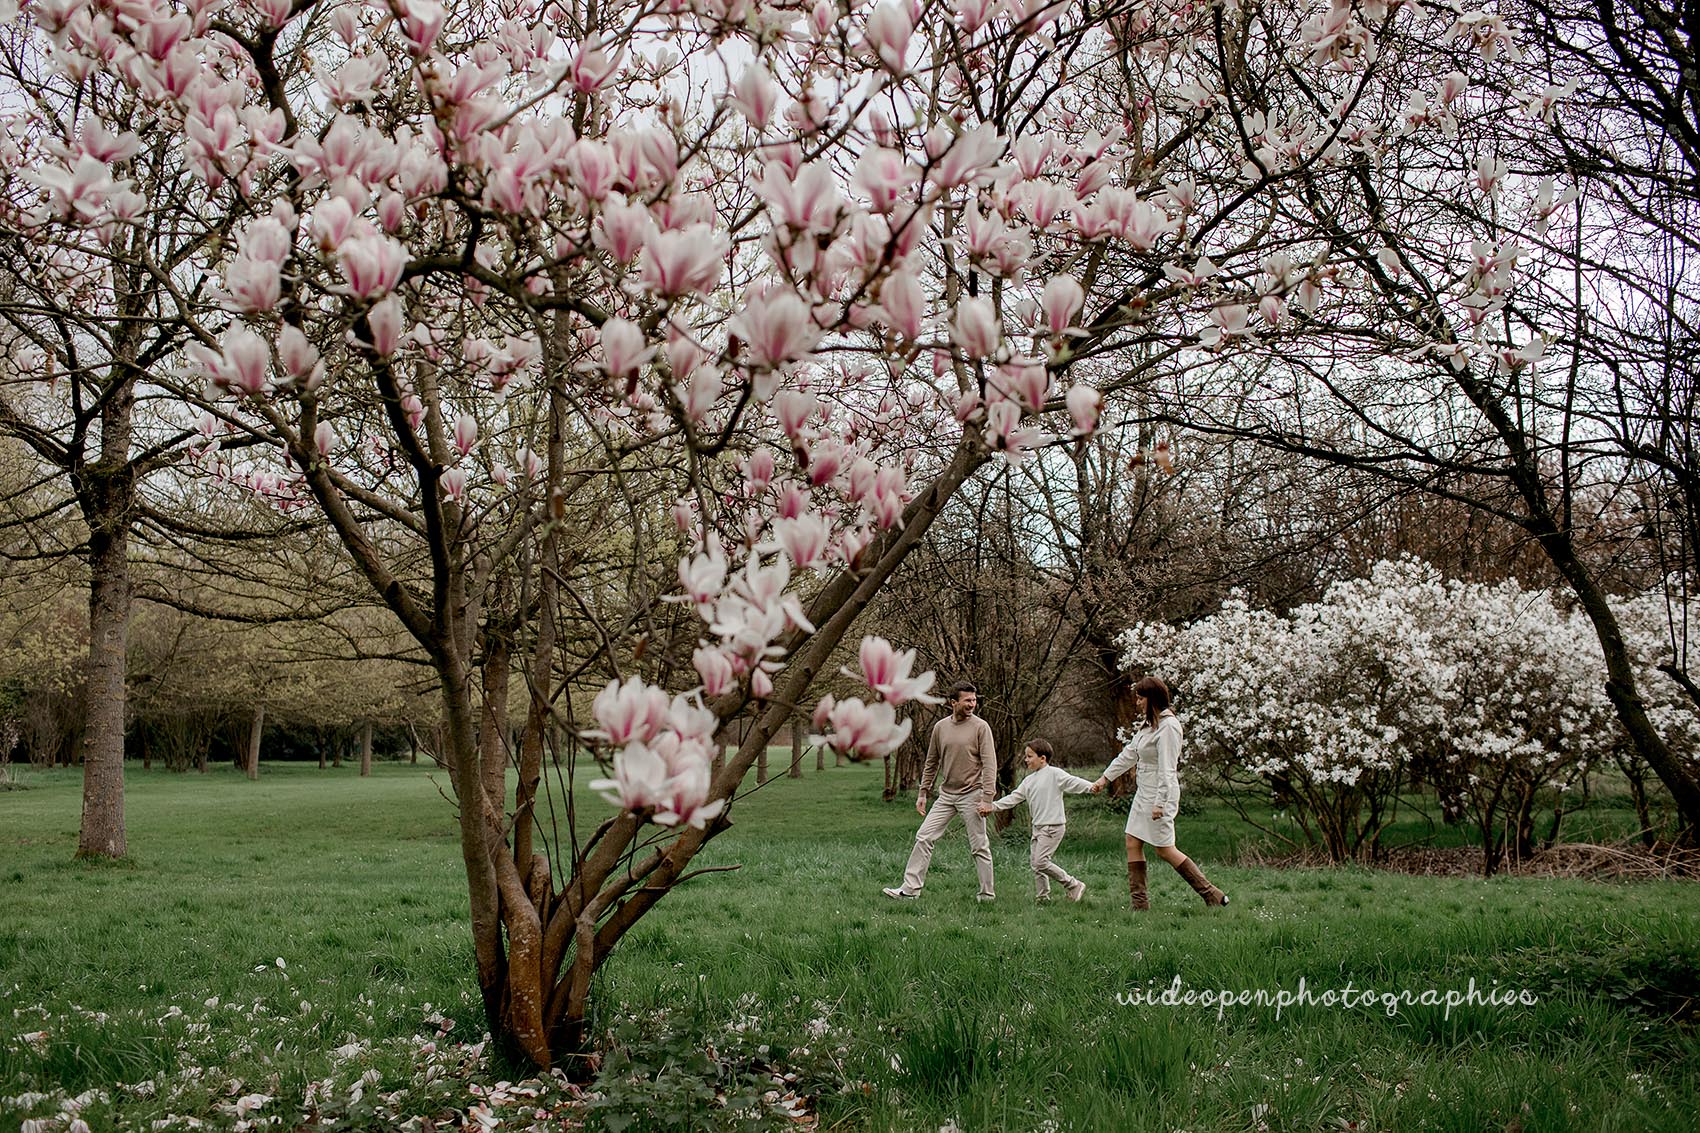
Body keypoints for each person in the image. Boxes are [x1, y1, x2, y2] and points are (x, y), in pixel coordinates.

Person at [1091, 675, 1229, 910]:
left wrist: (1160, 803)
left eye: (1140, 698)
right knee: (1132, 840)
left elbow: (1168, 768)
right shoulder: (1148, 726)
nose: (1137, 702)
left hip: (1160, 794)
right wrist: (1105, 778)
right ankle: (1140, 905)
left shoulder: (1169, 727)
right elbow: (1129, 754)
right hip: (1144, 793)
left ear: (1152, 699)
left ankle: (1211, 894)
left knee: (1164, 849)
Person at [883, 681, 997, 901]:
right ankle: (910, 891)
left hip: (973, 794)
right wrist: (923, 792)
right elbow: (931, 761)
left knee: (979, 846)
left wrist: (987, 798)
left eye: (974, 700)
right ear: (953, 702)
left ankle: (987, 895)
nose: (972, 704)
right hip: (946, 795)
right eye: (968, 700)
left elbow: (990, 763)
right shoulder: (940, 727)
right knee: (924, 837)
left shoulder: (981, 727)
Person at [977, 739, 1093, 902]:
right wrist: (992, 806)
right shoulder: (1029, 781)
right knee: (1036, 864)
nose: (1026, 760)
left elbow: (1073, 782)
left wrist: (1092, 786)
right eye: (1026, 756)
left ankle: (1073, 884)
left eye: (1030, 756)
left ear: (1042, 758)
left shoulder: (1055, 774)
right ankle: (1042, 897)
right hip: (1038, 827)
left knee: (1041, 862)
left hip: (1053, 827)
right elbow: (1013, 798)